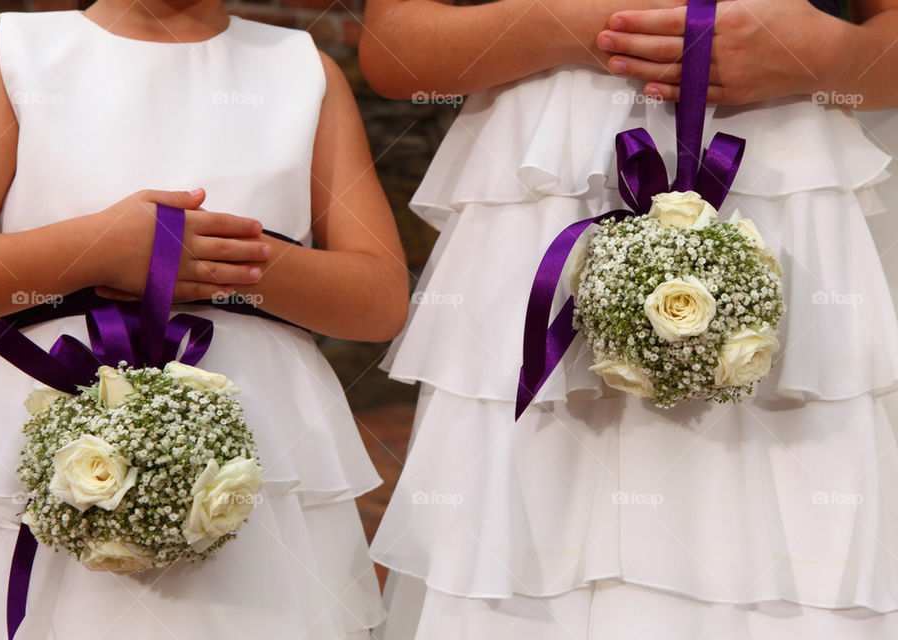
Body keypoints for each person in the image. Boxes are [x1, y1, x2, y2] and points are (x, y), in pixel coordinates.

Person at [362, 0, 898, 636]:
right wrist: (591, 27)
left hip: (780, 164)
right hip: (544, 188)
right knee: (529, 534)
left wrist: (824, 54)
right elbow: (395, 48)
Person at [0, 1, 408, 637]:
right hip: (55, 420)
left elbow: (380, 298)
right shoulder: (17, 54)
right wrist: (99, 250)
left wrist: (220, 263)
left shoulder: (301, 69)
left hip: (260, 450)